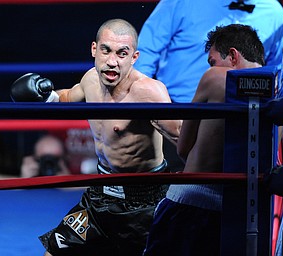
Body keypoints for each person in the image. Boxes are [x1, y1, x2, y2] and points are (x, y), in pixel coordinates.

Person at [10, 19, 181, 256]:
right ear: (94, 49)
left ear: (134, 57)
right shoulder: (90, 79)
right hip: (99, 194)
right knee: (53, 253)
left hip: (144, 202)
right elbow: (67, 98)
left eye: (122, 53)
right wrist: (44, 94)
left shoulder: (148, 92)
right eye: (106, 50)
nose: (112, 61)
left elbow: (183, 139)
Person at [143, 24, 265, 256]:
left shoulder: (216, 77)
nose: (211, 67)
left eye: (212, 60)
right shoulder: (275, 89)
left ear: (232, 55)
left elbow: (183, 147)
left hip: (191, 198)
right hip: (238, 209)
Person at [135, 0, 283, 102]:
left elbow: (282, 69)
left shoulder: (273, 12)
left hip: (243, 117)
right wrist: (144, 102)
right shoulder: (180, 2)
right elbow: (146, 52)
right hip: (177, 110)